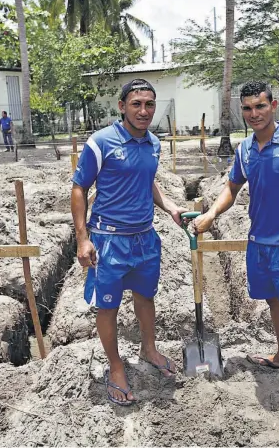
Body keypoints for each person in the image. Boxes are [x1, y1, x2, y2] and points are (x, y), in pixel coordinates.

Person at [192, 81, 279, 422]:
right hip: (258, 245)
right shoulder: (245, 149)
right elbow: (232, 186)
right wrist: (212, 213)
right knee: (273, 300)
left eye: (259, 106)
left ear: (274, 106)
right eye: (247, 108)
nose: (254, 114)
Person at [71, 78, 187, 406]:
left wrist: (170, 207)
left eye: (149, 104)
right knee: (107, 307)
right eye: (136, 104)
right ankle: (116, 366)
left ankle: (148, 349)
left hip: (145, 239)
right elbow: (79, 189)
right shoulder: (100, 143)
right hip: (109, 241)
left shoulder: (153, 143)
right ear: (122, 106)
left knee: (145, 298)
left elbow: (149, 182)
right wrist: (83, 239)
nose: (143, 110)